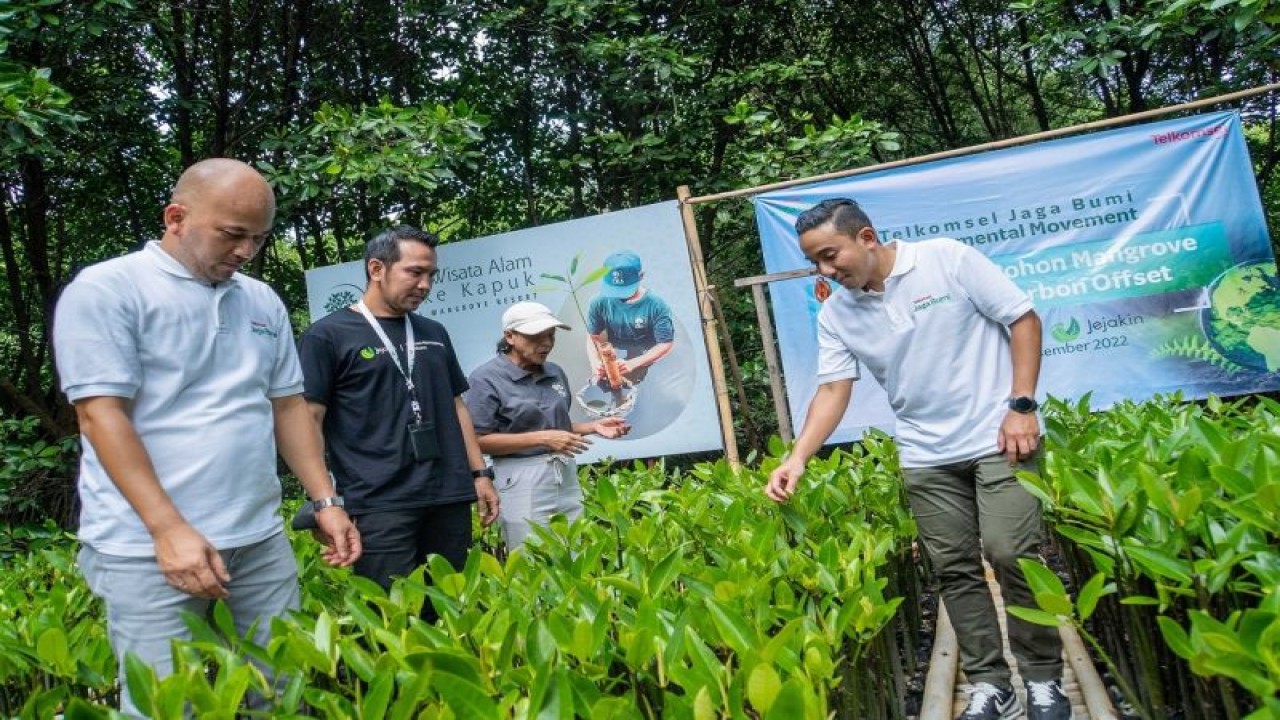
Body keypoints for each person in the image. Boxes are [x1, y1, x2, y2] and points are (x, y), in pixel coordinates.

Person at [52, 158, 361, 717]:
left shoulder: (260, 300)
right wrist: (168, 530)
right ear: (176, 217)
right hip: (145, 548)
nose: (245, 251)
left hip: (259, 539)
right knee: (171, 707)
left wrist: (325, 499)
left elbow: (287, 405)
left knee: (283, 692)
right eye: (233, 235)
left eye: (259, 239)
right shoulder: (108, 289)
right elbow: (101, 416)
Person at [765, 198, 1072, 720]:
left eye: (830, 255)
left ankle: (1044, 680)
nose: (824, 270)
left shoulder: (945, 259)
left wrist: (1022, 405)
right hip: (926, 455)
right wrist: (797, 458)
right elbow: (834, 389)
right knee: (953, 569)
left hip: (999, 439)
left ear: (866, 238)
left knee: (1010, 553)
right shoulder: (838, 312)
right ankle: (991, 686)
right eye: (816, 261)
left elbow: (1022, 318)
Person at [298, 226, 499, 617]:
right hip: (378, 502)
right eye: (414, 272)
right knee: (392, 618)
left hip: (447, 496)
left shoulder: (433, 332)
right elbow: (308, 421)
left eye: (431, 275)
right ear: (377, 268)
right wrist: (323, 502)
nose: (425, 285)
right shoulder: (327, 336)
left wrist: (480, 473)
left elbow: (456, 405)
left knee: (448, 612)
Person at [465, 302, 629, 550]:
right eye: (535, 336)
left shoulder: (555, 372)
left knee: (573, 553)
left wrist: (594, 426)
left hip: (564, 472)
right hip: (519, 476)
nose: (546, 343)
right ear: (510, 336)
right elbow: (476, 441)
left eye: (550, 335)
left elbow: (555, 428)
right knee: (530, 557)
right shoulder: (485, 378)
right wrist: (542, 439)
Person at [586, 250, 674, 385]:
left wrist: (635, 363)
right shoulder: (598, 302)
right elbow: (593, 336)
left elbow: (665, 343)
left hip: (646, 350)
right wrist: (595, 363)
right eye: (614, 289)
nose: (620, 296)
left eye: (625, 290)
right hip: (615, 349)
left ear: (641, 276)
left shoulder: (656, 305)